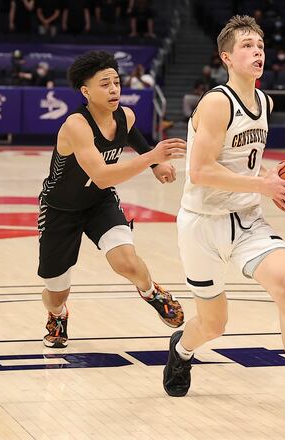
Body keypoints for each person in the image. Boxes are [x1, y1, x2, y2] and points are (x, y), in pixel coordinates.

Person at [162, 15, 285, 435]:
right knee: (213, 324)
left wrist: (270, 182)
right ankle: (182, 348)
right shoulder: (216, 102)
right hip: (202, 224)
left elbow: (245, 161)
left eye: (261, 44)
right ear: (226, 56)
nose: (258, 51)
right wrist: (261, 184)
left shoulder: (263, 102)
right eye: (247, 45)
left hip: (248, 220)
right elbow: (199, 171)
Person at [37, 50, 186, 348]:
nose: (114, 89)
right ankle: (58, 315)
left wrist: (156, 164)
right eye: (104, 84)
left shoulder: (125, 115)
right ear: (86, 91)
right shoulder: (76, 126)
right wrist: (151, 158)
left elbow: (133, 136)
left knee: (126, 262)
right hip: (59, 208)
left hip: (99, 202)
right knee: (56, 290)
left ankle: (151, 292)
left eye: (116, 82)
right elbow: (103, 174)